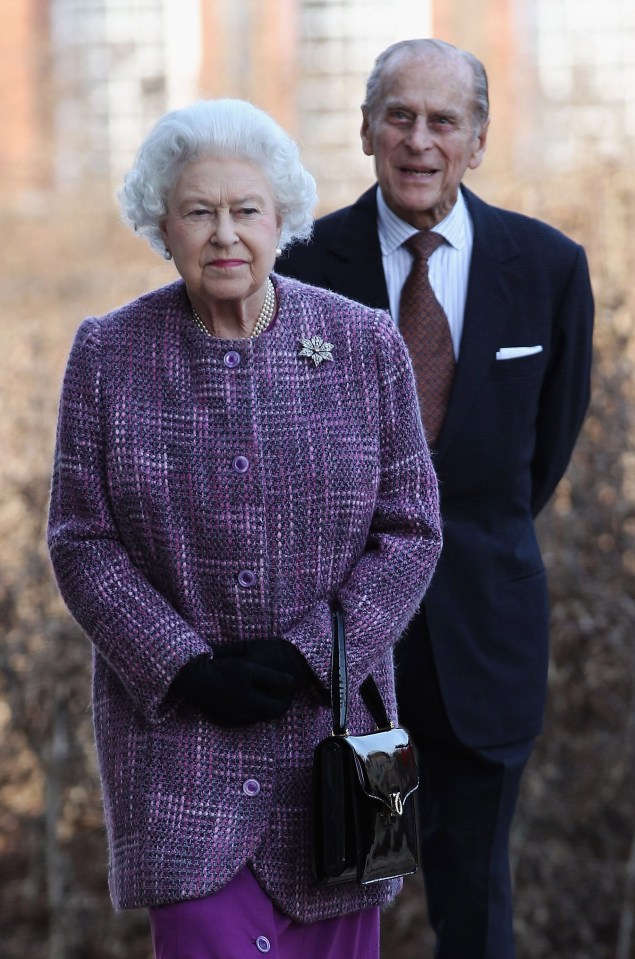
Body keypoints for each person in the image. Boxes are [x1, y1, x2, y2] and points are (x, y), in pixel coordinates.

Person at [47, 97, 442, 959]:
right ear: (164, 223)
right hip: (181, 754)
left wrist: (313, 649)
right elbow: (81, 540)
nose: (224, 234)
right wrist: (180, 664)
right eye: (198, 212)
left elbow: (411, 531)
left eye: (244, 211)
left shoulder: (365, 343)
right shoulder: (107, 354)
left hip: (337, 754)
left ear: (281, 220)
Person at [276, 38, 594, 959]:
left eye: (443, 121)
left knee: (474, 904)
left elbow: (543, 454)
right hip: (335, 647)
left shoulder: (545, 267)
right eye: (400, 117)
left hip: (481, 643)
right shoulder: (297, 267)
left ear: (478, 139)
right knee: (332, 893)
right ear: (367, 129)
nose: (420, 140)